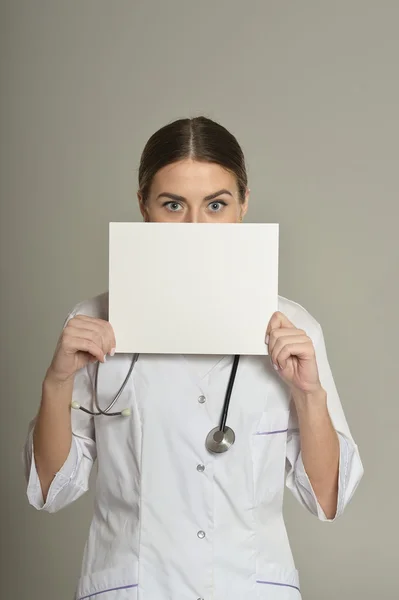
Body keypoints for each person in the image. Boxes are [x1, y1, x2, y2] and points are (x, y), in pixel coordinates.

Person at [23, 116, 363, 600]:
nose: (195, 227)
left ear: (244, 204)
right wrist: (56, 384)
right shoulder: (92, 325)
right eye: (173, 204)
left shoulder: (293, 329)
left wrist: (309, 395)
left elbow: (326, 499)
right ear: (144, 206)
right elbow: (53, 490)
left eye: (216, 205)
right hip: (133, 587)